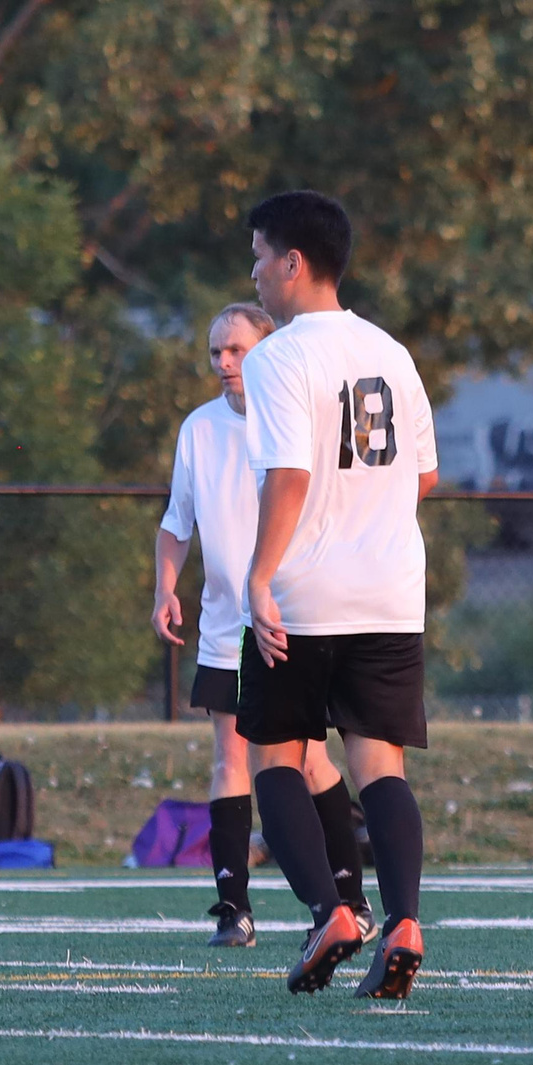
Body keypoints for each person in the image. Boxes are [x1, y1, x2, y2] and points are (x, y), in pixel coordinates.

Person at [236, 190, 439, 1000]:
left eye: (258, 256)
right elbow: (423, 474)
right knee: (379, 766)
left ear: (293, 262)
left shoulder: (279, 356)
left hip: (304, 593)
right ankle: (407, 921)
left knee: (277, 757)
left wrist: (258, 574)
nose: (253, 274)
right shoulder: (393, 351)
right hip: (390, 591)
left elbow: (291, 474)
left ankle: (331, 911)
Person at [154, 301, 371, 947]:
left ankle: (347, 898)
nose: (223, 362)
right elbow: (176, 521)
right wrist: (166, 585)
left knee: (306, 760)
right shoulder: (199, 428)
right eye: (216, 351)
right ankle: (233, 908)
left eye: (237, 350)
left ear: (268, 350)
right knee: (230, 759)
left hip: (291, 619)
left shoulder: (295, 422)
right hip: (226, 626)